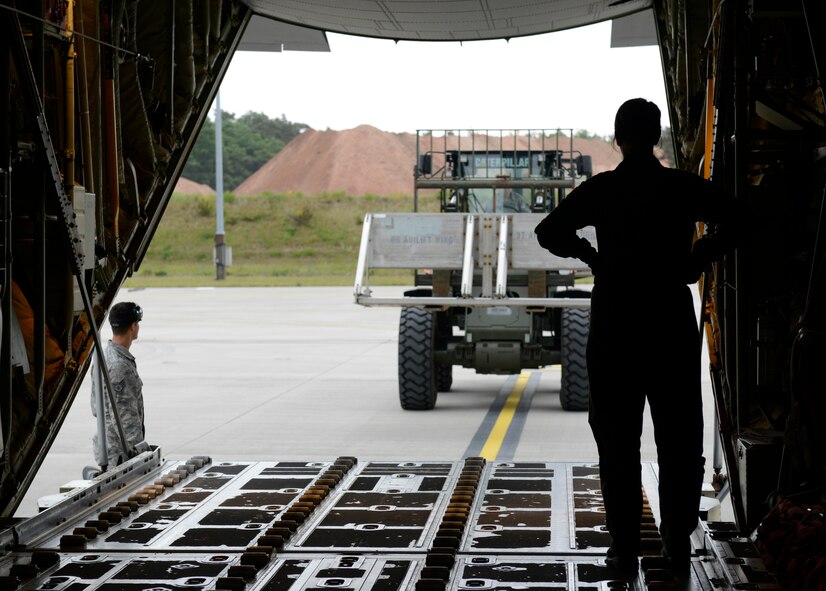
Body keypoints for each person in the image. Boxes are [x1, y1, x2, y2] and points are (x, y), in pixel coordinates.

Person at [534, 98, 739, 578]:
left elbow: (549, 230)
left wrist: (593, 258)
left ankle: (625, 547)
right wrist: (698, 257)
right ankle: (677, 543)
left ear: (618, 137)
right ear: (657, 135)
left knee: (617, 440)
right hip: (668, 320)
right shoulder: (680, 187)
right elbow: (741, 218)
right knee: (680, 437)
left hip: (616, 323)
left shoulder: (604, 190)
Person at [90, 301, 149, 469]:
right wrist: (141, 456)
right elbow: (126, 420)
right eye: (137, 323)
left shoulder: (103, 356)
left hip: (108, 448)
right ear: (133, 327)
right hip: (121, 456)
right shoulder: (119, 366)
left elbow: (96, 407)